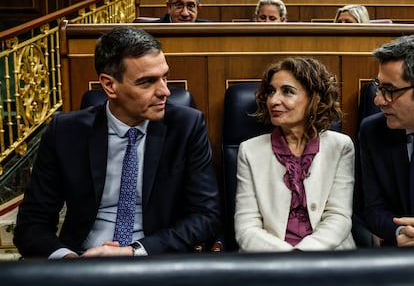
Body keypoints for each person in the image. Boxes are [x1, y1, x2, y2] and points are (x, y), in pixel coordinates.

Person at [13, 26, 221, 258]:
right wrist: (70, 260)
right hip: (83, 257)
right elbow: (31, 223)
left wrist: (133, 252)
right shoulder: (65, 131)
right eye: (147, 82)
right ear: (109, 85)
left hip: (156, 258)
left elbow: (205, 215)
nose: (164, 91)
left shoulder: (186, 126)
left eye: (165, 77)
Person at [234, 57, 356, 252]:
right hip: (269, 258)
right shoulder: (249, 151)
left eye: (288, 92)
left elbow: (338, 217)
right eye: (271, 92)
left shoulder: (341, 146)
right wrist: (289, 259)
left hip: (328, 255)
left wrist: (303, 255)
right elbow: (246, 227)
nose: (273, 100)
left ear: (315, 99)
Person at [359, 35, 414, 247]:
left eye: (390, 90)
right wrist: (400, 231)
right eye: (379, 87)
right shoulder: (372, 131)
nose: (378, 100)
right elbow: (373, 208)